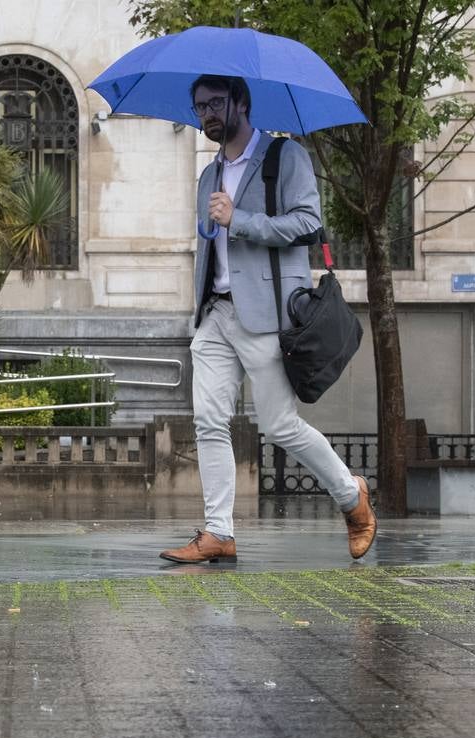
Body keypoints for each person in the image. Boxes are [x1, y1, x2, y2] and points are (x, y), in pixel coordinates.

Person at [160, 75, 375, 564]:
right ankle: (218, 532)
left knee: (279, 425)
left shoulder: (284, 158)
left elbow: (307, 223)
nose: (207, 114)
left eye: (216, 103)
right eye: (199, 107)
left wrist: (241, 219)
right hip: (214, 314)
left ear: (241, 102)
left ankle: (352, 497)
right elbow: (207, 248)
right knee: (209, 421)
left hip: (267, 316)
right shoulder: (208, 176)